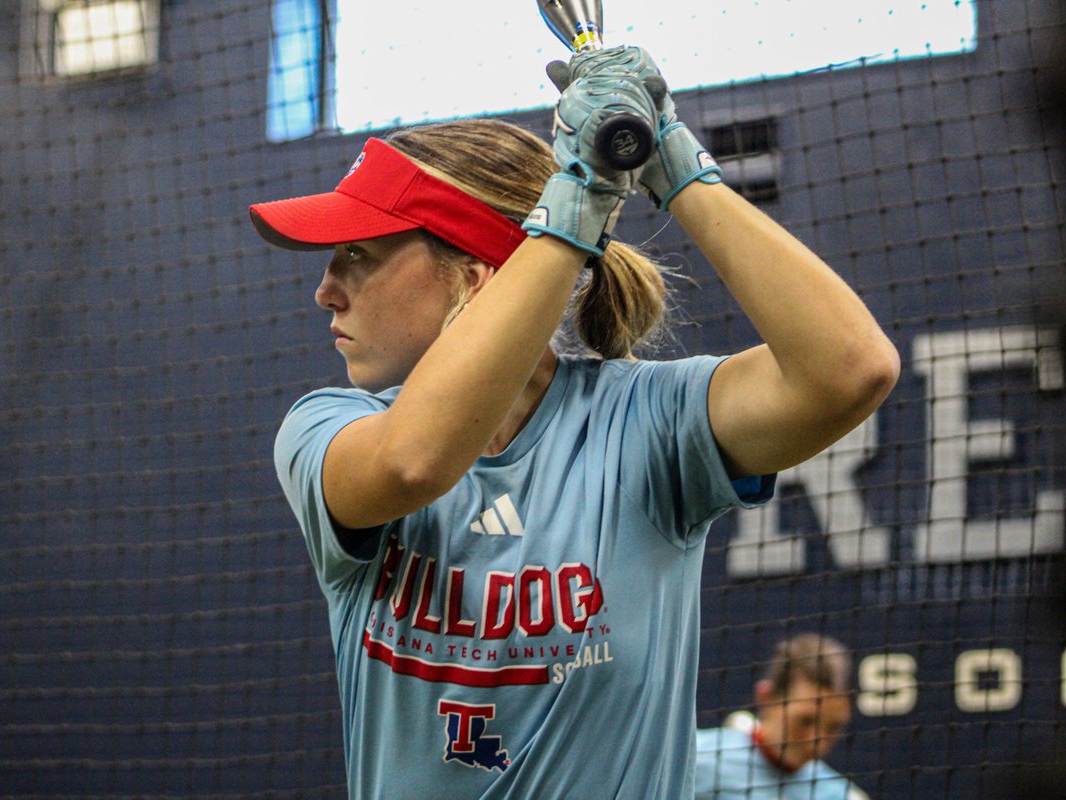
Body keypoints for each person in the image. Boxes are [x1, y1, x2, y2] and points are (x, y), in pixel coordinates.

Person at [249, 46, 899, 799]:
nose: (326, 290)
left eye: (358, 254)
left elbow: (853, 370)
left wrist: (673, 160)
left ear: (474, 276)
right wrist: (583, 195)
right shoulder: (324, 428)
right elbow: (411, 462)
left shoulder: (651, 422)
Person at [694, 634, 870, 800]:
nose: (817, 743)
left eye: (833, 727)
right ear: (766, 698)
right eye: (805, 720)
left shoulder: (841, 795)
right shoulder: (690, 761)